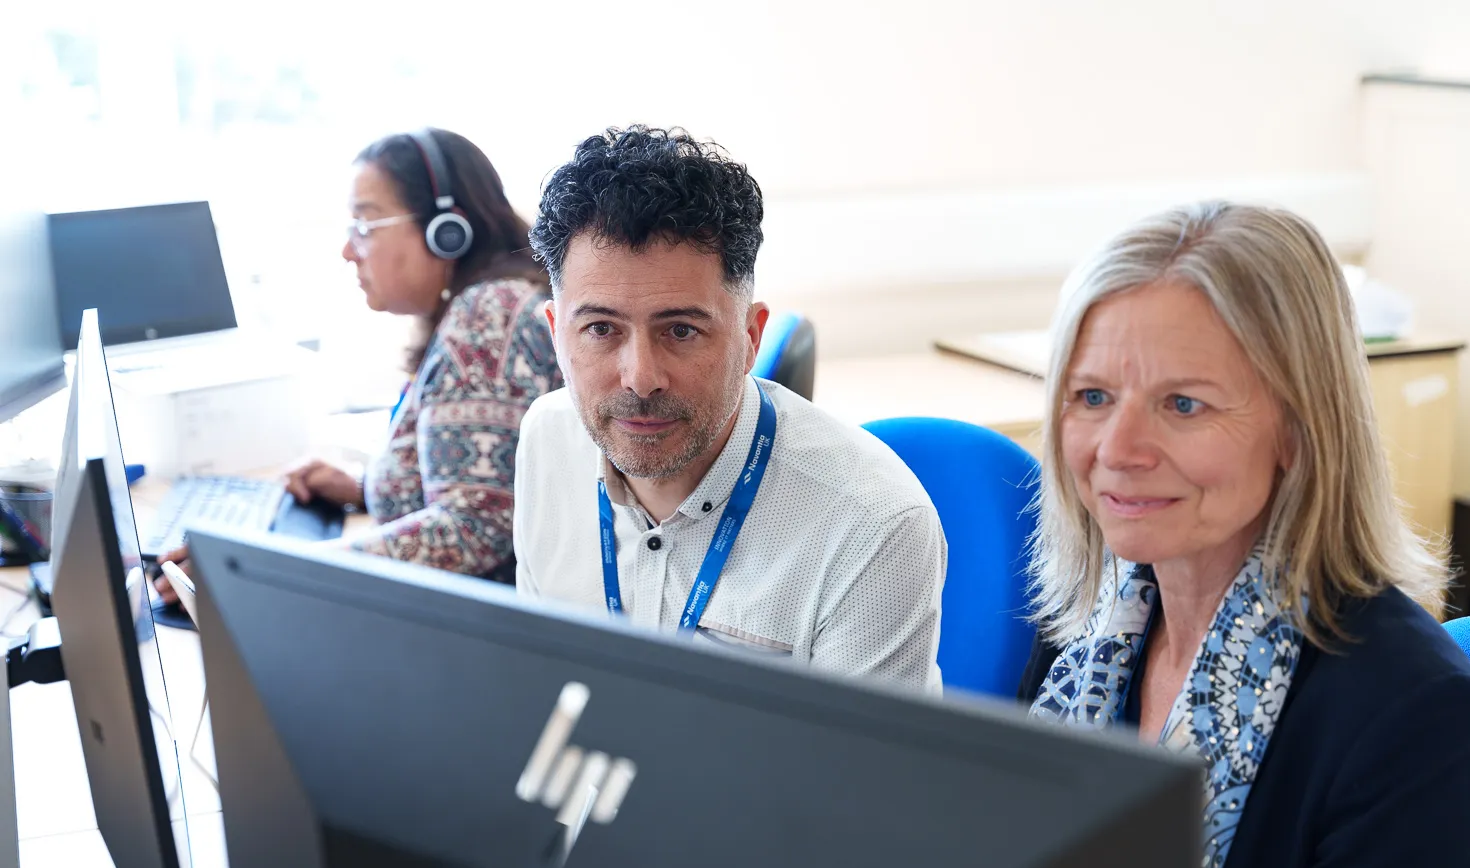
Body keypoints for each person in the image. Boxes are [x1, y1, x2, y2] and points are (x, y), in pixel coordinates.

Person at [1017, 201, 1470, 868]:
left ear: (1297, 430)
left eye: (1184, 405)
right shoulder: (1083, 639)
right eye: (1093, 396)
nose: (1118, 450)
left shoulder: (1421, 727)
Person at [513, 126, 945, 692]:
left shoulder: (871, 526)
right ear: (555, 334)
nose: (641, 378)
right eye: (600, 329)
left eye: (682, 330)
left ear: (749, 336)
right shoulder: (548, 440)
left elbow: (860, 779)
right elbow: (541, 689)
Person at [157, 128, 561, 602]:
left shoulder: (489, 315)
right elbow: (481, 489)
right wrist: (364, 487)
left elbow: (473, 527)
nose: (348, 250)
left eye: (365, 226)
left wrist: (267, 572)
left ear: (445, 231)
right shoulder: (483, 305)